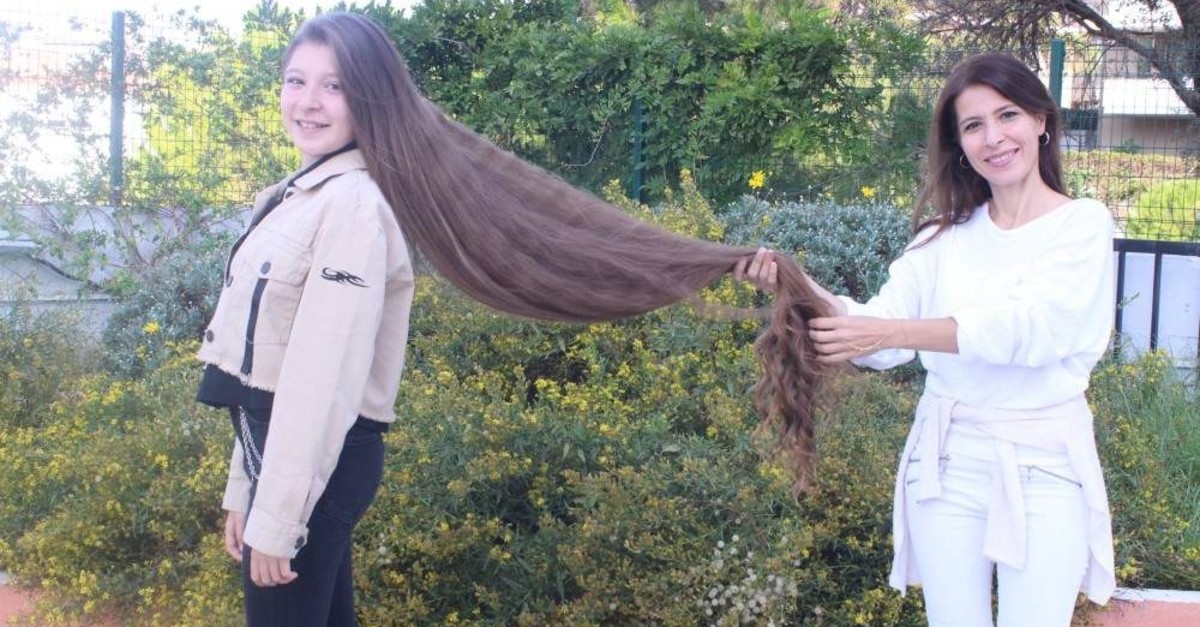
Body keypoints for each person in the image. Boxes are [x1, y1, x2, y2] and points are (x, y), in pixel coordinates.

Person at [195, 11, 834, 626]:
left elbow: (319, 378)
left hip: (315, 465)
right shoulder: (295, 195)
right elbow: (263, 370)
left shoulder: (353, 207)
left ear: (371, 100)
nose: (308, 100)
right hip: (282, 457)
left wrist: (276, 517)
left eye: (334, 86)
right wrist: (242, 489)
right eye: (296, 80)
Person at [740, 52, 1116, 627]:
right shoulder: (944, 238)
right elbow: (883, 336)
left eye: (1007, 115)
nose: (994, 137)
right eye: (973, 125)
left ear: (1042, 120)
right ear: (959, 144)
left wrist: (891, 330)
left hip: (1045, 463)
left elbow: (1034, 329)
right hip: (946, 461)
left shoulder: (1082, 225)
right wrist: (797, 283)